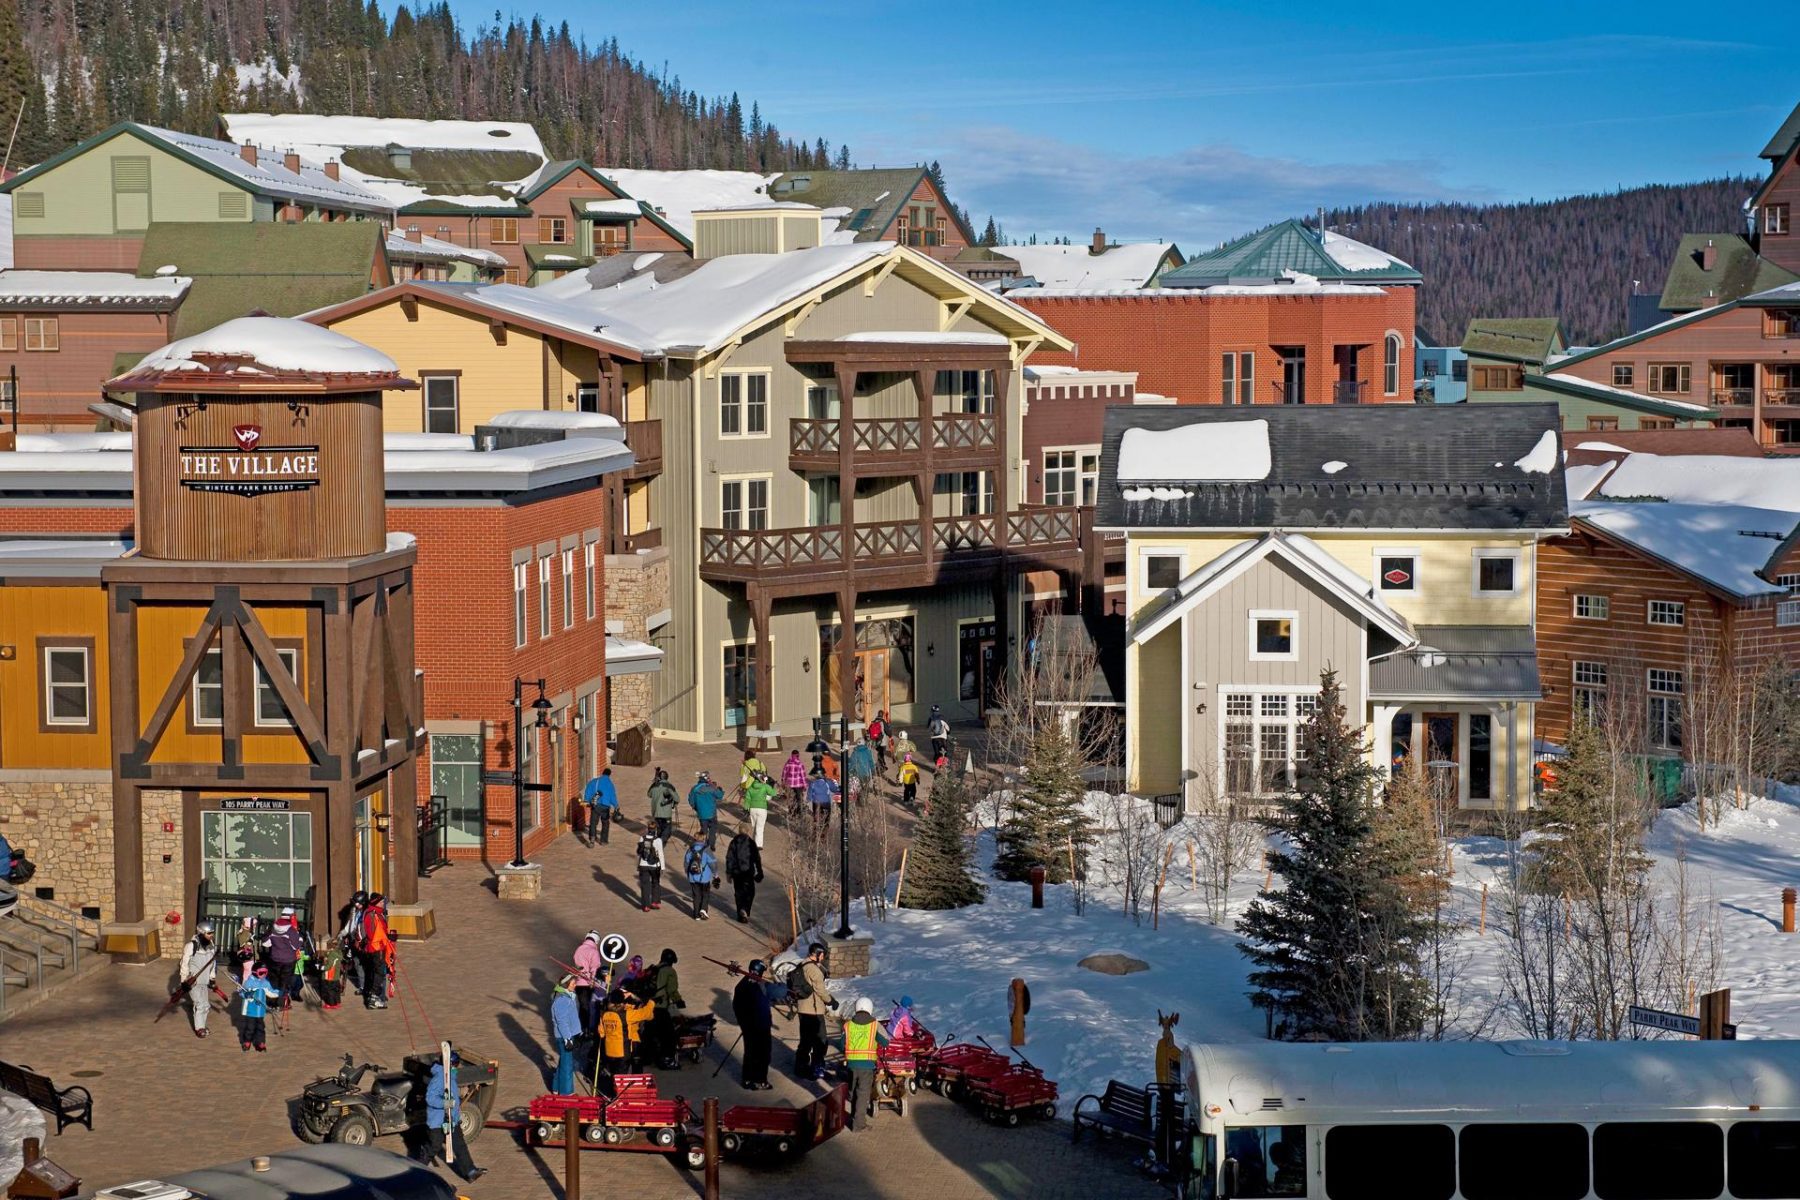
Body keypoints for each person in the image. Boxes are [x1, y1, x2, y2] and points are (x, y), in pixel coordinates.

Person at [426, 1044, 485, 1183]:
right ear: (451, 1064)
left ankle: (470, 1171)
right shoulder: (439, 1078)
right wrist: (445, 1104)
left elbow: (452, 1095)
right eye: (456, 1064)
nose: (457, 1067)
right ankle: (416, 1167)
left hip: (452, 1119)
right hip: (438, 1121)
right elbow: (430, 1098)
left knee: (459, 1145)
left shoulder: (449, 1076)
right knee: (434, 1146)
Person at [843, 997, 889, 1129]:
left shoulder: (848, 1025)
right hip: (867, 1066)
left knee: (853, 1092)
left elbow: (842, 1043)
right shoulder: (875, 1025)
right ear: (870, 1009)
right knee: (862, 1094)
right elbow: (885, 1042)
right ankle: (858, 1124)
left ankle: (853, 1117)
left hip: (851, 1064)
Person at [791, 942, 832, 1080]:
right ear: (818, 954)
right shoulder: (814, 970)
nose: (824, 957)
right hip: (814, 1011)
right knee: (821, 1041)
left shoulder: (803, 964)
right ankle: (817, 1068)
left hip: (803, 1009)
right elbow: (820, 990)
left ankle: (801, 1067)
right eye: (823, 954)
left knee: (806, 1040)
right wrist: (830, 1000)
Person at [732, 960, 774, 1090]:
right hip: (754, 1026)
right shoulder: (747, 987)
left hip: (758, 1025)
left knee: (758, 1052)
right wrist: (746, 1023)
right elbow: (739, 1007)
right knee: (756, 1053)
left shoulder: (754, 984)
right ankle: (754, 1079)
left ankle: (755, 1079)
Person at [180, 921, 221, 1038]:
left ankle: (202, 1025)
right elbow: (184, 963)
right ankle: (199, 1028)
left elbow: (213, 963)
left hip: (204, 981)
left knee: (206, 1005)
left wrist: (212, 978)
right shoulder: (191, 946)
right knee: (200, 1004)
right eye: (209, 933)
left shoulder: (211, 946)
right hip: (193, 981)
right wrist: (184, 981)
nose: (211, 935)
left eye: (212, 933)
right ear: (201, 933)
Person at [262, 906, 305, 1007]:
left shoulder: (273, 927)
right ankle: (283, 1003)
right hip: (288, 961)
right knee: (285, 983)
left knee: (273, 982)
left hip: (274, 959)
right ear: (291, 917)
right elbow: (296, 946)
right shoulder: (291, 930)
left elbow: (266, 943)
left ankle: (271, 1003)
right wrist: (300, 939)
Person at [651, 948, 684, 1069]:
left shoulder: (654, 968)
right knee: (669, 1035)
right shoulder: (670, 971)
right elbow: (672, 990)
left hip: (648, 1007)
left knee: (651, 1033)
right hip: (660, 1008)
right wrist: (679, 1001)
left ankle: (647, 1057)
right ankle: (666, 1060)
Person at [357, 893, 392, 1009]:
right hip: (376, 948)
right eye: (382, 902)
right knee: (379, 973)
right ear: (376, 903)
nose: (383, 904)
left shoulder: (377, 913)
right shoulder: (372, 914)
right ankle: (373, 998)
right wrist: (385, 938)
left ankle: (375, 996)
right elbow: (373, 934)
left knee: (377, 972)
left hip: (378, 947)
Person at [551, 974, 584, 1094]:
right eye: (573, 983)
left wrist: (578, 1031)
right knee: (567, 1065)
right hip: (564, 1036)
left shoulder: (568, 996)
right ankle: (566, 1093)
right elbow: (561, 1021)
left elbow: (572, 1017)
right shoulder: (562, 999)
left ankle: (555, 1088)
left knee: (563, 1062)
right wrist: (567, 1039)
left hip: (570, 1034)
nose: (575, 985)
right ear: (566, 985)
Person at [237, 965, 282, 1052]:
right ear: (255, 972)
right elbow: (241, 993)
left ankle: (260, 1042)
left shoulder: (265, 983)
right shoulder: (249, 982)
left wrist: (280, 993)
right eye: (261, 973)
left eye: (265, 972)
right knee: (250, 1027)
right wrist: (247, 994)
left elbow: (271, 992)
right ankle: (247, 1041)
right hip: (250, 1010)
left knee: (260, 1027)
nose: (264, 975)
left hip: (260, 1011)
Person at [725, 824, 763, 923]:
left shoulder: (733, 842)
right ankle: (745, 909)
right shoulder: (751, 843)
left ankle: (741, 913)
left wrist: (728, 873)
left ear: (739, 831)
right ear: (747, 831)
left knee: (738, 892)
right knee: (750, 892)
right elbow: (757, 858)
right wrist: (759, 871)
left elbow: (729, 858)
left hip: (736, 872)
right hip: (748, 871)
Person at [687, 770, 723, 851]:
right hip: (712, 813)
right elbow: (720, 796)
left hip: (701, 813)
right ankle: (712, 845)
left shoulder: (694, 789)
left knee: (704, 829)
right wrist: (719, 789)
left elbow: (691, 800)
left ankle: (702, 843)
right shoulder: (711, 787)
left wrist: (696, 808)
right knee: (713, 829)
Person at [573, 931, 603, 1028]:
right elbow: (595, 968)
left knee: (582, 1007)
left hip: (578, 983)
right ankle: (586, 1030)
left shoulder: (578, 949)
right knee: (588, 1008)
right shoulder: (594, 951)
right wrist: (592, 981)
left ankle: (581, 1028)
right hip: (588, 985)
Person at [583, 767, 618, 847]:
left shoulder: (595, 781)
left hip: (596, 805)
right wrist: (616, 805)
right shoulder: (610, 784)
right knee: (605, 823)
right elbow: (612, 796)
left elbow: (588, 789)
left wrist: (586, 800)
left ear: (603, 773)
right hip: (605, 807)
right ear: (609, 775)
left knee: (593, 823)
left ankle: (592, 840)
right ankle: (603, 841)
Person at [683, 839, 717, 921]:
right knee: (705, 894)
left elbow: (686, 863)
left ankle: (696, 915)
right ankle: (703, 909)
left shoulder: (690, 850)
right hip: (704, 878)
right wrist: (715, 874)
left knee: (696, 895)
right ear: (703, 839)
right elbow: (712, 863)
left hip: (693, 877)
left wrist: (688, 874)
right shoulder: (707, 850)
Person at [598, 990, 629, 1077]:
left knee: (613, 1071)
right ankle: (617, 1089)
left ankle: (611, 1087)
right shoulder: (626, 1015)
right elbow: (645, 1014)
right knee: (621, 1074)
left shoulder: (603, 1014)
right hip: (622, 1050)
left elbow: (601, 1033)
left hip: (609, 1049)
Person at [635, 827, 665, 911]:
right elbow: (660, 854)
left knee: (645, 885)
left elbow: (638, 853)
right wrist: (662, 867)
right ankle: (654, 902)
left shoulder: (642, 838)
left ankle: (646, 905)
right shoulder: (658, 840)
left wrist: (638, 865)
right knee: (655, 883)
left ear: (648, 829)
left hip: (643, 865)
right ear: (655, 830)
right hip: (654, 865)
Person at [742, 769, 775, 848]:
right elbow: (773, 793)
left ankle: (754, 843)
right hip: (762, 809)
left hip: (752, 809)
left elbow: (747, 799)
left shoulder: (750, 788)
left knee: (754, 826)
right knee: (760, 827)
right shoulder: (765, 786)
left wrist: (746, 808)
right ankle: (758, 845)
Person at [647, 767, 679, 842]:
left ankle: (658, 844)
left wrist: (653, 784)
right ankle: (660, 843)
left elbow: (649, 794)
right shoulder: (669, 786)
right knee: (667, 831)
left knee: (659, 830)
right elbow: (677, 799)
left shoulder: (655, 786)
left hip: (655, 813)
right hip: (666, 813)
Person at [806, 770, 838, 840]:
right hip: (826, 803)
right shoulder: (828, 782)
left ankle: (815, 835)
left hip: (816, 803)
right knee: (826, 820)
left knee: (816, 819)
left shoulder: (813, 783)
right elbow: (835, 789)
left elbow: (809, 795)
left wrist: (808, 800)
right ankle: (824, 836)